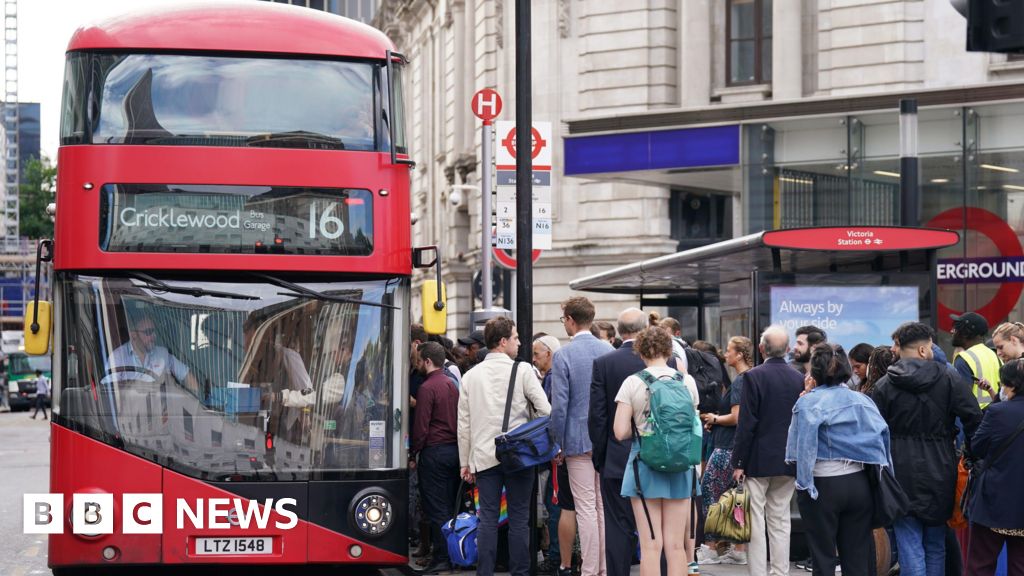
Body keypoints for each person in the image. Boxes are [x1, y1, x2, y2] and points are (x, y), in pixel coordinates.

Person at [871, 322, 983, 576]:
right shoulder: (949, 378)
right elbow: (974, 418)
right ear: (923, 350)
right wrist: (971, 455)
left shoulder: (885, 385)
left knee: (909, 542)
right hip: (941, 467)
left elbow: (874, 431)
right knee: (935, 543)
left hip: (899, 470)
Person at [786, 343, 893, 576]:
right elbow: (883, 438)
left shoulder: (808, 402)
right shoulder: (863, 400)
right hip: (859, 483)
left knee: (823, 557)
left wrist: (804, 485)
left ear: (814, 372)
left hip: (822, 483)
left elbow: (799, 450)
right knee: (856, 558)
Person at [458, 316, 551, 576]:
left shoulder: (470, 376)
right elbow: (545, 410)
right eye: (515, 338)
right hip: (519, 456)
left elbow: (463, 425)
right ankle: (520, 572)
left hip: (485, 457)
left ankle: (484, 572)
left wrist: (465, 462)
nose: (520, 343)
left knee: (487, 519)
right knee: (520, 519)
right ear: (502, 342)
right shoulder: (522, 371)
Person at [590, 308, 678, 576]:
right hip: (661, 456)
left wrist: (600, 458)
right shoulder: (669, 365)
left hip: (617, 458)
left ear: (619, 330)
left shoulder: (605, 363)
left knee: (618, 525)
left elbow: (598, 416)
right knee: (659, 527)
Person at [613, 326, 700, 576]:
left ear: (639, 351)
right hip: (681, 465)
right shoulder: (686, 381)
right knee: (676, 546)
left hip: (644, 466)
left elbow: (619, 432)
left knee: (651, 545)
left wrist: (643, 429)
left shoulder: (633, 382)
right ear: (669, 350)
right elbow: (692, 423)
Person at [731, 325, 804, 576]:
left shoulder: (753, 377)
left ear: (762, 348)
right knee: (780, 518)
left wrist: (738, 461)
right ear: (787, 350)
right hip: (788, 459)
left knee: (756, 519)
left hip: (758, 460)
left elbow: (746, 424)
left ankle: (759, 572)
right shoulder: (799, 378)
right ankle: (781, 571)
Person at [550, 296, 614, 576]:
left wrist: (557, 442)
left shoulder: (563, 355)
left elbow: (559, 406)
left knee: (585, 507)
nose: (564, 323)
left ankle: (589, 569)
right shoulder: (607, 350)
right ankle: (601, 567)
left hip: (576, 438)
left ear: (571, 320)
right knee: (601, 506)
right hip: (606, 437)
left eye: (563, 319)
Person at [965, 358, 1024, 575]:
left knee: (981, 563)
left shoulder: (998, 412)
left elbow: (976, 447)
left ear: (1013, 386)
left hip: (994, 501)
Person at [696, 336, 752, 566]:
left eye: (729, 350)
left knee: (710, 494)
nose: (724, 354)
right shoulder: (750, 377)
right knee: (737, 499)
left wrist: (715, 418)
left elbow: (737, 417)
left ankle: (709, 548)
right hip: (736, 447)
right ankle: (738, 549)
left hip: (726, 448)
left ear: (739, 354)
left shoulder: (740, 381)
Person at [412, 341, 462, 575]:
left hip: (434, 452)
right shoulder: (451, 384)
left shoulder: (427, 387)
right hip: (453, 450)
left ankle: (442, 558)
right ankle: (450, 555)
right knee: (450, 505)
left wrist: (413, 452)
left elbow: (421, 427)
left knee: (436, 508)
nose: (417, 364)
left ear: (427, 361)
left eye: (419, 360)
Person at [534, 334, 575, 576]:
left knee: (556, 504)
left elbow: (553, 413)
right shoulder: (549, 376)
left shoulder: (551, 379)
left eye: (537, 354)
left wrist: (556, 446)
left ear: (549, 354)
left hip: (557, 453)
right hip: (562, 451)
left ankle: (558, 557)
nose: (535, 359)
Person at [107, 313, 199, 393]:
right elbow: (110, 392)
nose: (154, 336)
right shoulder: (117, 357)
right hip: (132, 411)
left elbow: (188, 377)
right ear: (133, 335)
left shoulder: (163, 354)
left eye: (154, 331)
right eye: (148, 332)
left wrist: (193, 405)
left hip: (162, 410)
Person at [951, 312, 1002, 408]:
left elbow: (961, 400)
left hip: (973, 419)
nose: (952, 331)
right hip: (995, 415)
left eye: (956, 328)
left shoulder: (964, 358)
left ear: (966, 333)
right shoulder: (995, 355)